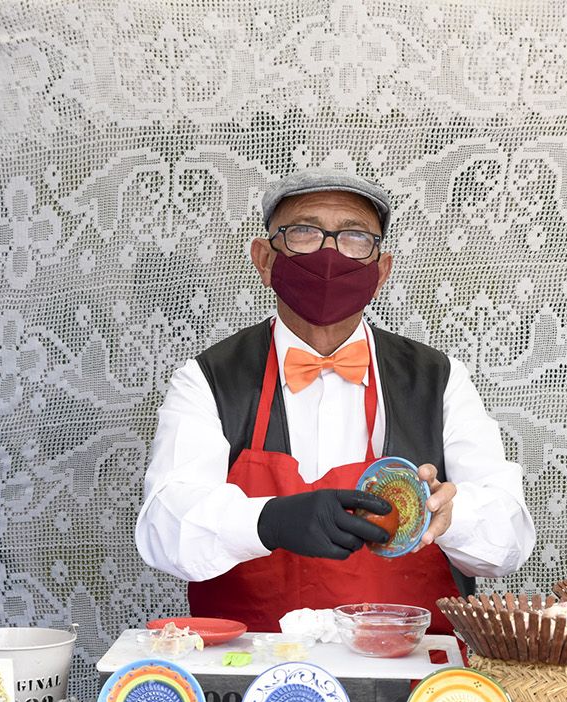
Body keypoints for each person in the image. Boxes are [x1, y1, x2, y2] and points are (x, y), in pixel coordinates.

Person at [136, 168, 534, 632]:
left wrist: (449, 510)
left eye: (355, 237)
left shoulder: (439, 379)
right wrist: (268, 521)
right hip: (252, 680)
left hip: (414, 679)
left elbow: (510, 542)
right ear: (264, 259)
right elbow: (164, 529)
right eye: (304, 232)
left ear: (380, 270)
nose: (329, 253)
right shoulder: (208, 379)